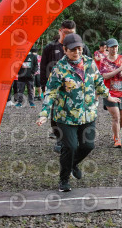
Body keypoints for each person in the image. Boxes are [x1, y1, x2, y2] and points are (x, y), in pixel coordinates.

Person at [36, 33, 120, 192]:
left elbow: (98, 81)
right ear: (65, 50)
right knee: (71, 146)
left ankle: (72, 164)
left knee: (88, 146)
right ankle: (64, 179)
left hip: (87, 113)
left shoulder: (89, 63)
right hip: (66, 116)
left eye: (79, 49)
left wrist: (108, 95)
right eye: (73, 50)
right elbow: (51, 92)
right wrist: (44, 113)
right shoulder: (59, 68)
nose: (77, 52)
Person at [40, 20, 90, 152]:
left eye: (72, 33)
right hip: (56, 88)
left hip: (77, 88)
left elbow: (90, 68)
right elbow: (43, 67)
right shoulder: (50, 47)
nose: (69, 36)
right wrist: (44, 87)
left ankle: (76, 139)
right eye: (66, 33)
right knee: (56, 114)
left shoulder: (82, 48)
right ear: (60, 31)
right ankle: (60, 140)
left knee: (78, 113)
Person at [98, 38, 122, 148]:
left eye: (115, 47)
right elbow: (105, 76)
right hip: (109, 92)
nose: (114, 49)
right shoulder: (104, 61)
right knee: (116, 116)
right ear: (107, 48)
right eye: (111, 47)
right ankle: (117, 139)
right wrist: (118, 70)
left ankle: (116, 132)